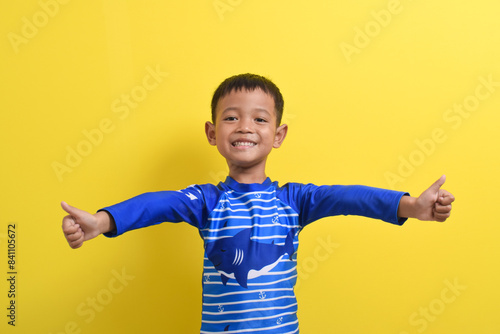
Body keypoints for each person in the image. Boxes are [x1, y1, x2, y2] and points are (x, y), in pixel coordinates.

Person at [62, 73, 455, 333]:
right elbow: (156, 204)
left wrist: (411, 206)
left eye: (260, 120)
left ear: (279, 134)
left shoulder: (296, 200)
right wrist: (102, 221)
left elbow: (349, 197)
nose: (246, 127)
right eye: (231, 118)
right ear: (212, 133)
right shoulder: (205, 201)